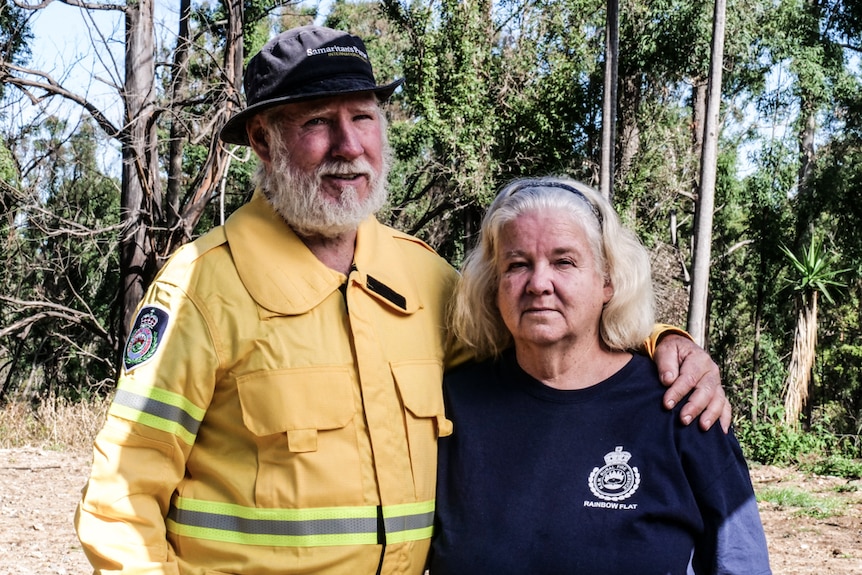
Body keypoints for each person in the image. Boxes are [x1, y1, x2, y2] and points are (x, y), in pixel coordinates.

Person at [75, 26, 729, 575]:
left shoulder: (423, 279)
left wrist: (660, 341)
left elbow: (552, 339)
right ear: (264, 142)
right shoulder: (201, 289)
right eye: (318, 123)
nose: (350, 144)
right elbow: (121, 498)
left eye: (363, 117)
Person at [429, 177, 771, 574]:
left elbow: (741, 563)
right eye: (517, 264)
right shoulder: (454, 406)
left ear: (607, 280)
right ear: (495, 285)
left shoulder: (683, 403)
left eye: (564, 262)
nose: (539, 284)